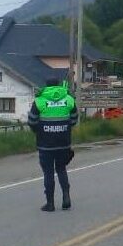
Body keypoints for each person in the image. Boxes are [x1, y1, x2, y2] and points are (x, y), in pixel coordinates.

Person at [28, 77, 78, 212]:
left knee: (48, 172)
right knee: (61, 169)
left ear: (46, 86)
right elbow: (74, 119)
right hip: (64, 142)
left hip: (45, 144)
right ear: (58, 85)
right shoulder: (68, 99)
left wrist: (39, 131)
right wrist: (65, 128)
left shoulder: (39, 101)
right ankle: (66, 196)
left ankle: (50, 203)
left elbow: (32, 121)